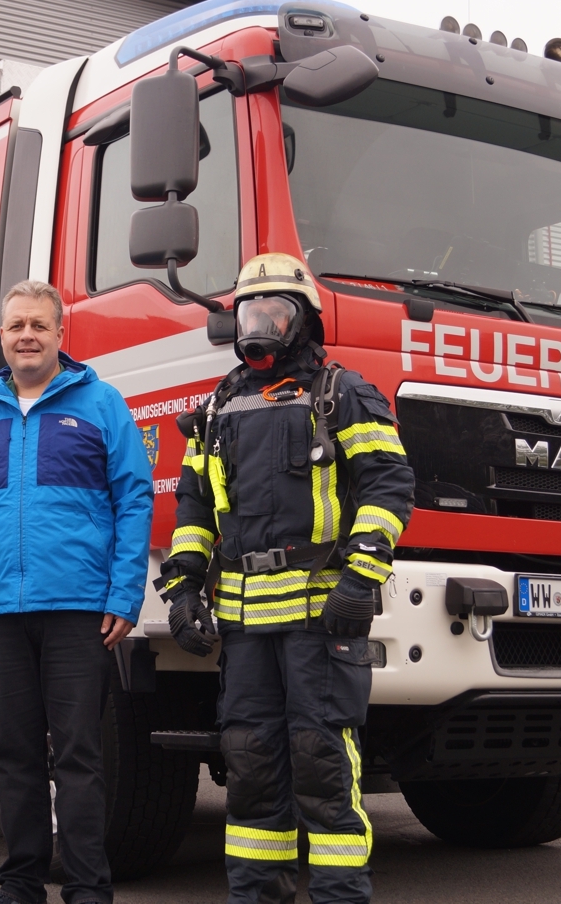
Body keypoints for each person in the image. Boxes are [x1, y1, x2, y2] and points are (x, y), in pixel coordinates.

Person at [156, 254, 415, 904]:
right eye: (250, 311)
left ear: (304, 323)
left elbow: (390, 485)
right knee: (248, 767)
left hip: (321, 622)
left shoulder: (342, 392)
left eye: (277, 311)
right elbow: (195, 500)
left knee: (322, 764)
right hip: (245, 632)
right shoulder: (221, 404)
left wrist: (362, 578)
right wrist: (184, 586)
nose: (261, 323)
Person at [0, 280, 154, 904]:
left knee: (80, 752)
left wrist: (122, 595)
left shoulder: (101, 403)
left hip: (77, 609)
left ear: (62, 335)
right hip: (1, 611)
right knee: (13, 752)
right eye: (15, 326)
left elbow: (134, 499)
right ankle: (21, 881)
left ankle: (88, 886)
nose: (27, 335)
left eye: (39, 324)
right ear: (2, 337)